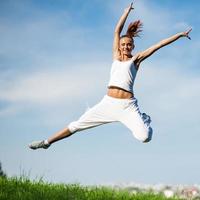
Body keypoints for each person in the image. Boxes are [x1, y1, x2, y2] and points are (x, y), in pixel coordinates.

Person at [29, 3, 192, 150]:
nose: (126, 46)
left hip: (128, 106)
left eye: (129, 44)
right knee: (76, 125)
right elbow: (117, 31)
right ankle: (46, 142)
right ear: (120, 47)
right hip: (108, 103)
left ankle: (144, 120)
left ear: (133, 46)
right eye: (123, 44)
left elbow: (159, 45)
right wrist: (126, 12)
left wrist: (179, 35)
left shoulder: (136, 59)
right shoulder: (115, 56)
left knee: (145, 137)